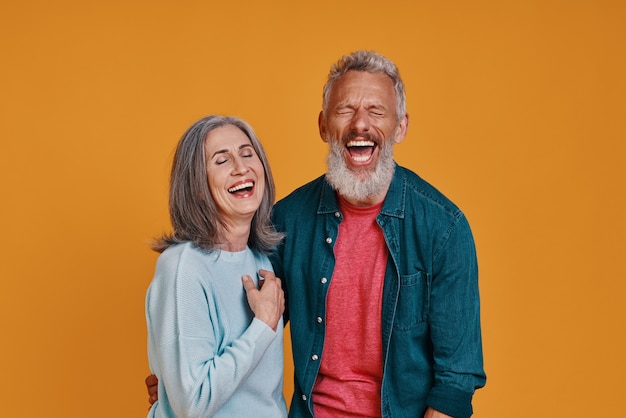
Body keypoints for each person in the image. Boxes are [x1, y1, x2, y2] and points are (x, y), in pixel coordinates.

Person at [147, 51, 486, 417]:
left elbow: (455, 382)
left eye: (376, 111)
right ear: (324, 125)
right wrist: (176, 380)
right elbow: (240, 317)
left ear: (400, 126)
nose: (360, 125)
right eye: (345, 111)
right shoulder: (288, 221)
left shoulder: (444, 228)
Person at [145, 115, 288, 417]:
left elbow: (263, 397)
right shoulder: (183, 268)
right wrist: (262, 327)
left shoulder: (262, 262)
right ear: (196, 187)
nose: (241, 167)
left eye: (247, 153)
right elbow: (193, 403)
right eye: (221, 161)